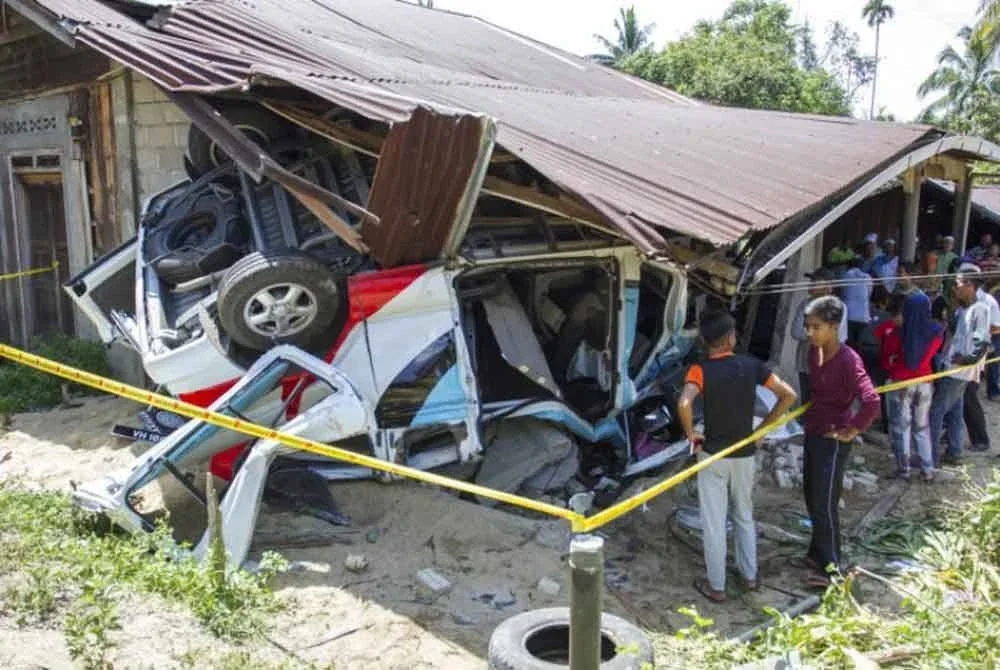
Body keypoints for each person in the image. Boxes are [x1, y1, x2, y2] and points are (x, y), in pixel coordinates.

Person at [678, 310, 797, 603]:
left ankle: (716, 586)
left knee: (714, 521)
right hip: (744, 455)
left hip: (713, 456)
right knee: (744, 514)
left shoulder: (699, 370)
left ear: (706, 342)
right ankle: (749, 577)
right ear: (730, 337)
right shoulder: (752, 365)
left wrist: (691, 433)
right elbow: (789, 395)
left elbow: (684, 402)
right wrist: (763, 430)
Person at [798, 296, 880, 588]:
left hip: (833, 440)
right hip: (814, 432)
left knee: (824, 503)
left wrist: (851, 430)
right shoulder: (815, 351)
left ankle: (833, 569)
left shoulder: (848, 360)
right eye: (807, 326)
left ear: (833, 327)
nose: (809, 332)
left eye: (815, 327)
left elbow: (872, 401)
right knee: (811, 495)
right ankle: (816, 553)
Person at [929, 263, 992, 466]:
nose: (955, 288)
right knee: (956, 411)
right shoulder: (965, 309)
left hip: (958, 371)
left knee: (936, 412)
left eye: (958, 284)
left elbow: (982, 341)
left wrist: (965, 360)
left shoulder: (980, 309)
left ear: (970, 285)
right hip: (955, 368)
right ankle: (954, 451)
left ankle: (929, 457)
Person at [883, 293, 944, 481]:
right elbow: (928, 357)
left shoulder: (897, 333)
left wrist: (895, 363)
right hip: (925, 383)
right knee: (922, 426)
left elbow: (886, 361)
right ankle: (927, 469)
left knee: (902, 427)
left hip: (900, 384)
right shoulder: (937, 331)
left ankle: (904, 469)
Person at [791, 267, 848, 402]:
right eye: (811, 281)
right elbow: (796, 332)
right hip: (804, 364)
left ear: (828, 286)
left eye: (815, 282)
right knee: (807, 402)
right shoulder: (805, 304)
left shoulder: (838, 307)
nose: (811, 284)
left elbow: (840, 338)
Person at [963, 277, 1000, 451]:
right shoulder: (964, 299)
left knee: (969, 394)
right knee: (959, 396)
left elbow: (996, 327)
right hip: (962, 352)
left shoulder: (987, 301)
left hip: (976, 353)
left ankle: (981, 439)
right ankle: (951, 433)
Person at [840, 256, 872, 348]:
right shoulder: (868, 278)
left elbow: (842, 292)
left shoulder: (846, 275)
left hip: (849, 315)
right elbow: (869, 295)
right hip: (863, 316)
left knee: (849, 344)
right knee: (859, 344)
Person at [936, 236, 958, 301]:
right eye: (946, 243)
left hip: (948, 281)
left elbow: (956, 271)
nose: (947, 245)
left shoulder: (955, 257)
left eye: (950, 243)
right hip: (937, 280)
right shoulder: (937, 254)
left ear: (952, 245)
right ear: (943, 244)